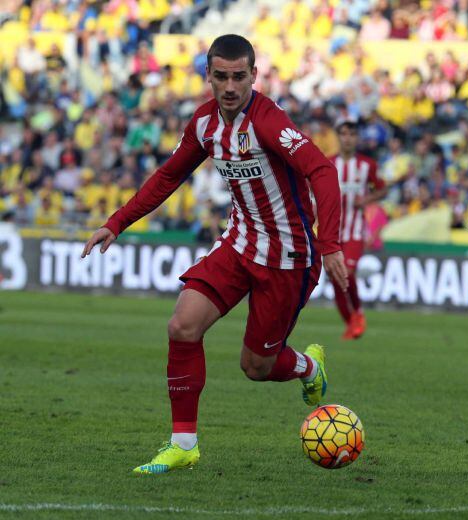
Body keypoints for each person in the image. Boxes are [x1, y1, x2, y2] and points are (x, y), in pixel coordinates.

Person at [81, 35, 348, 474]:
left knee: (256, 367)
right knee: (182, 326)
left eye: (238, 76)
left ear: (253, 76)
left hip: (288, 257)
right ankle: (184, 444)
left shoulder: (267, 122)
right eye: (220, 76)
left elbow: (322, 169)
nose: (229, 86)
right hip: (239, 242)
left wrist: (331, 242)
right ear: (208, 76)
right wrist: (116, 223)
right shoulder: (205, 124)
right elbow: (168, 176)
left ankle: (306, 366)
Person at [328, 120, 386, 339]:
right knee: (335, 279)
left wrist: (368, 198)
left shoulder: (367, 165)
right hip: (331, 232)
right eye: (343, 134)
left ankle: (358, 313)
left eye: (352, 134)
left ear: (357, 138)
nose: (348, 138)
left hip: (354, 231)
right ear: (338, 137)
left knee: (347, 273)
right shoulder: (328, 163)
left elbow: (382, 189)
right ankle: (351, 322)